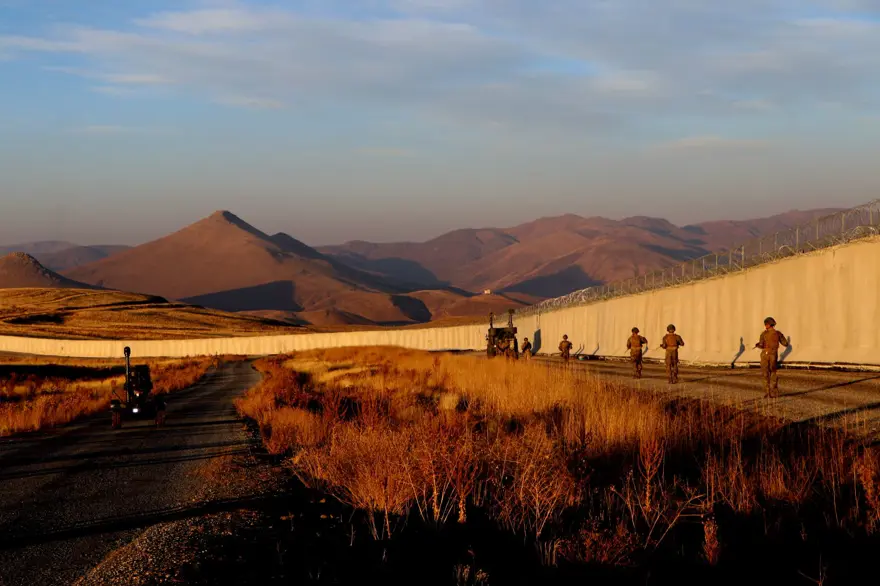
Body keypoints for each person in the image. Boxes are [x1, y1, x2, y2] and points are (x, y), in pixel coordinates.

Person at [754, 317, 789, 398]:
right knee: (773, 372)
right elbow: (785, 343)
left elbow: (761, 345)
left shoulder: (763, 334)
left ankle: (767, 393)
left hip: (765, 355)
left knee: (765, 373)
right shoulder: (778, 333)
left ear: (768, 325)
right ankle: (774, 392)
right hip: (773, 354)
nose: (765, 325)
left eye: (766, 324)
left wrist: (757, 345)